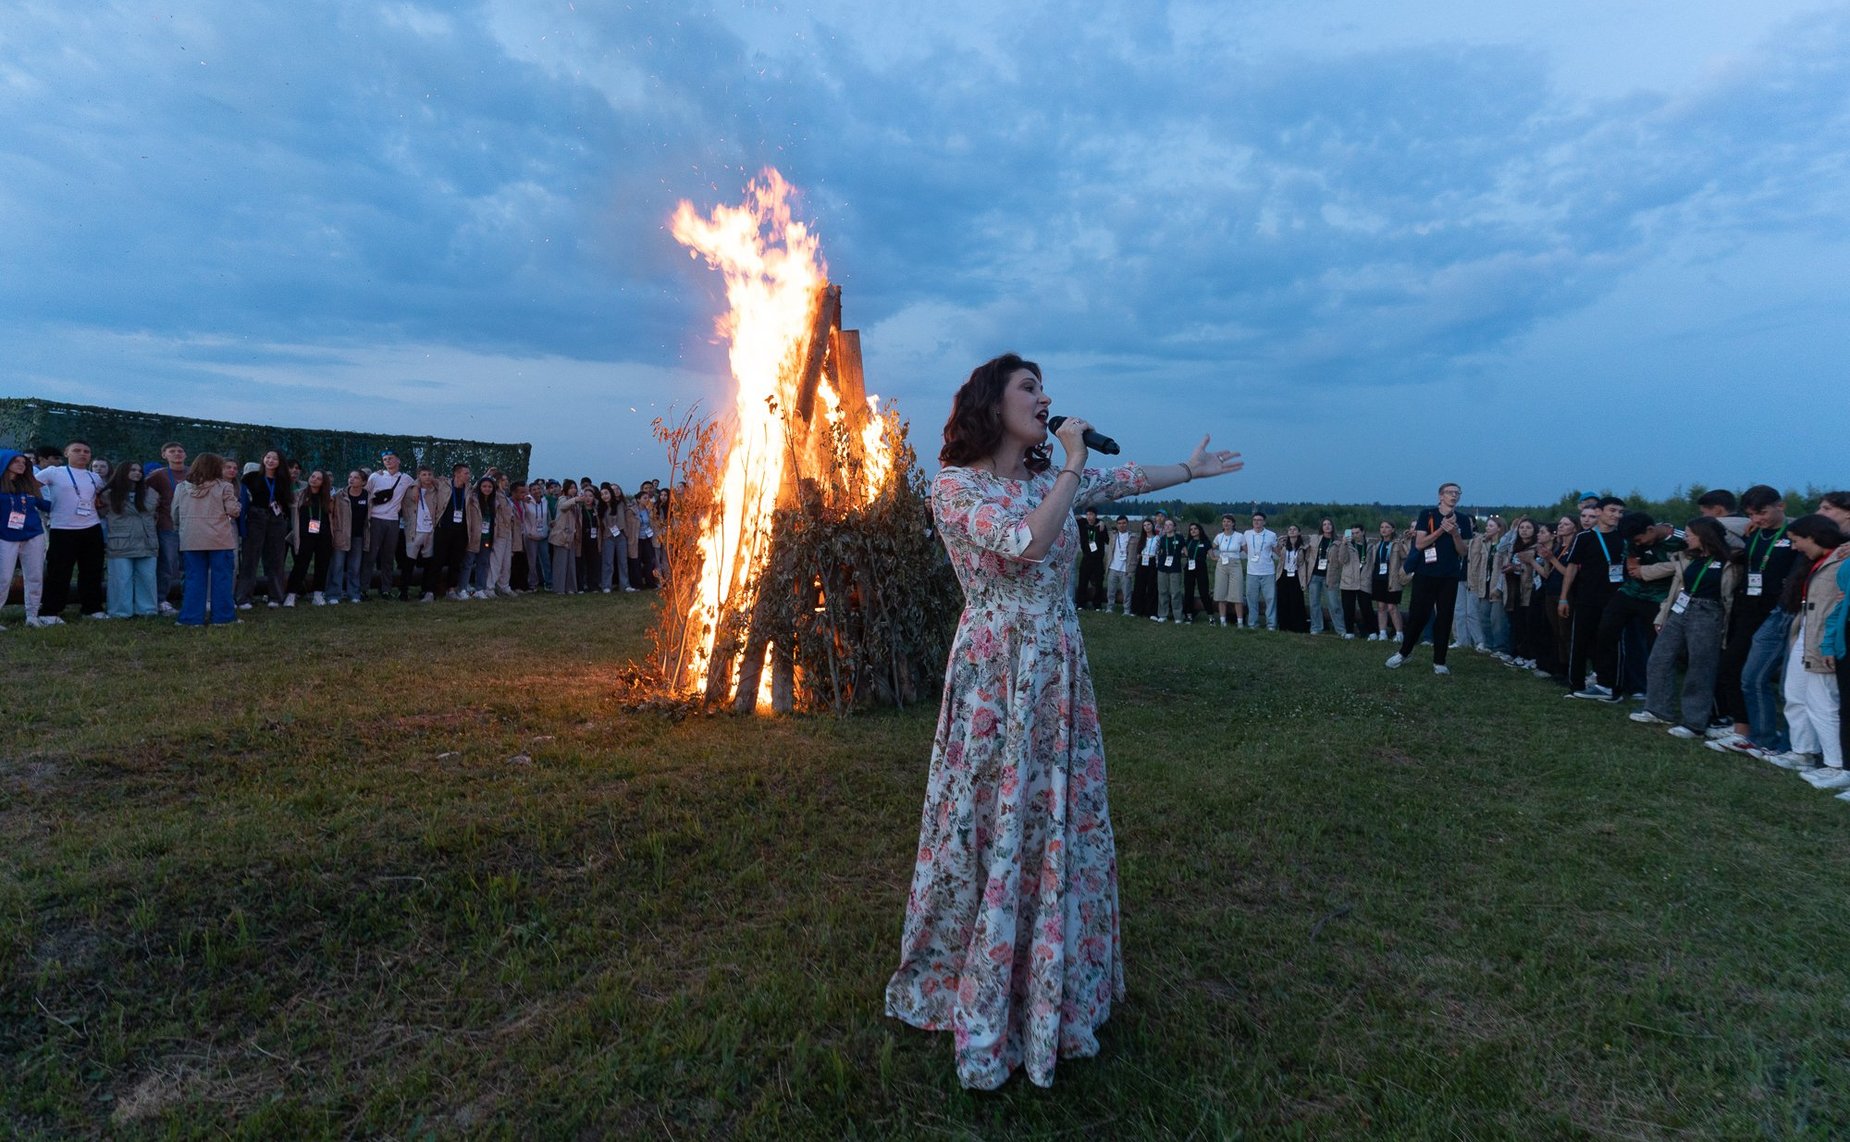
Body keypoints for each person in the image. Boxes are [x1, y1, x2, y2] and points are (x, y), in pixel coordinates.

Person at [885, 352, 1242, 1090]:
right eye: (1029, 388)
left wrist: (1187, 469)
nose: (1045, 398)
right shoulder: (955, 487)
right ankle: (973, 981)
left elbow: (1123, 480)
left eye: (1045, 388)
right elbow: (1027, 542)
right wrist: (1074, 464)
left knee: (1054, 815)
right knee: (990, 815)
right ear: (993, 403)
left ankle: (1052, 982)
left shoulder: (1049, 477)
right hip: (997, 671)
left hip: (1056, 666)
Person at [1711, 486, 1799, 757]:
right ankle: (1744, 727)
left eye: (1761, 513)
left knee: (1749, 670)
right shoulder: (1753, 532)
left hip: (1776, 611)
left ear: (1781, 506)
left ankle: (1755, 732)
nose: (1757, 519)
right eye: (1751, 514)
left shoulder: (1794, 533)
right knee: (1734, 666)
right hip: (1745, 605)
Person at [1635, 518, 1739, 741]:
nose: (1687, 537)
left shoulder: (1731, 560)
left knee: (1700, 667)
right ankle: (1658, 710)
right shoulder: (1687, 557)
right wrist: (1663, 614)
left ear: (1705, 535)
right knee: (1659, 658)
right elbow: (1676, 588)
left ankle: (1694, 722)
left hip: (1709, 612)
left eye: (1691, 534)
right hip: (1680, 609)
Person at [1778, 516, 1847, 782]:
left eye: (1796, 541)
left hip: (1824, 637)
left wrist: (1829, 642)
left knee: (1823, 701)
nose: (1794, 547)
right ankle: (1803, 752)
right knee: (1795, 694)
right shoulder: (1817, 561)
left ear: (1813, 536)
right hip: (1807, 632)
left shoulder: (1841, 559)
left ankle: (1836, 763)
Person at [1388, 483, 1475, 675]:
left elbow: (1463, 551)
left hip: (1449, 575)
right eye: (1450, 492)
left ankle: (1439, 661)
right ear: (1440, 496)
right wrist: (1441, 530)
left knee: (1444, 617)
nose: (1454, 495)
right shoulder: (1427, 515)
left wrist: (1455, 533)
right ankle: (1404, 652)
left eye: (1457, 493)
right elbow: (1419, 544)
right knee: (1418, 615)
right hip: (1425, 573)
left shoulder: (1462, 519)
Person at [1557, 497, 1626, 697]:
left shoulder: (1623, 538)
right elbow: (1571, 568)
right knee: (1579, 641)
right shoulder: (1584, 537)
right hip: (1586, 598)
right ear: (1600, 511)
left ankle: (1611, 687)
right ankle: (1576, 685)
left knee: (1610, 641)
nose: (1616, 515)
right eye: (1612, 510)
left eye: (1620, 512)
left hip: (1614, 599)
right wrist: (1563, 597)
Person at [39, 440, 110, 621]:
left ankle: (91, 608)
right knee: (59, 572)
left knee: (92, 570)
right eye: (77, 450)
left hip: (91, 527)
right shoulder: (54, 472)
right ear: (66, 453)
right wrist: (41, 504)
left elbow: (103, 497)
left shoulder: (94, 477)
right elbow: (28, 485)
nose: (82, 454)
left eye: (86, 451)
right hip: (62, 529)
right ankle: (50, 612)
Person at [174, 453, 242, 626]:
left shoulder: (181, 487)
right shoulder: (224, 487)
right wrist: (238, 505)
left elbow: (175, 513)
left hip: (191, 538)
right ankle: (223, 617)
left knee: (193, 579)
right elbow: (233, 511)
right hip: (219, 539)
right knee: (222, 579)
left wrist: (182, 528)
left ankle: (191, 618)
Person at [100, 461, 161, 619]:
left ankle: (147, 610)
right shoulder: (109, 494)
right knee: (120, 579)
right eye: (132, 470)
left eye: (139, 470)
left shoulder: (150, 493)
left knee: (147, 578)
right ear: (122, 471)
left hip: (147, 540)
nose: (137, 473)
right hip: (120, 541)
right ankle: (120, 612)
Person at [0, 449, 54, 628]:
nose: (21, 465)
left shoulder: (28, 486)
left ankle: (32, 616)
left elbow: (47, 505)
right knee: (3, 578)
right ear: (4, 463)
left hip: (33, 535)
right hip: (5, 537)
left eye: (24, 462)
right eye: (16, 461)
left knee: (35, 576)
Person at [235, 450, 293, 609]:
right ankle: (243, 598)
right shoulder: (250, 477)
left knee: (276, 559)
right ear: (263, 459)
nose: (271, 460)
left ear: (280, 462)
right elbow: (243, 498)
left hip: (277, 520)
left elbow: (287, 501)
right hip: (255, 518)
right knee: (250, 558)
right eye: (268, 457)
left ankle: (275, 597)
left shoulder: (284, 480)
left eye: (275, 458)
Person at [143, 441, 188, 614]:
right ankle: (160, 600)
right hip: (167, 526)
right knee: (166, 565)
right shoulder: (158, 475)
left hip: (191, 527)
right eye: (172, 451)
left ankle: (189, 597)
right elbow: (142, 493)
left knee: (190, 565)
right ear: (164, 455)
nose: (177, 454)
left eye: (180, 451)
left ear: (185, 455)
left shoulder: (193, 473)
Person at [364, 452, 412, 600]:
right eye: (385, 459)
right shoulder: (375, 476)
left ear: (398, 460)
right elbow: (365, 493)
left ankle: (386, 589)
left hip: (393, 521)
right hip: (375, 519)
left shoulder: (406, 478)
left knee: (388, 557)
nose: (388, 461)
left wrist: (416, 488)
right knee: (370, 556)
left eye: (390, 458)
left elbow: (418, 484)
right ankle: (363, 589)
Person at [286, 470, 336, 605]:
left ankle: (318, 594)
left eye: (318, 478)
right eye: (313, 476)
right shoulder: (299, 495)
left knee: (322, 565)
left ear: (323, 482)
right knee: (300, 565)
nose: (314, 479)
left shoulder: (328, 498)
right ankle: (291, 594)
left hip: (324, 536)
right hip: (305, 536)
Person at [329, 470, 369, 604]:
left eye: (356, 478)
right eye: (350, 477)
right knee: (337, 565)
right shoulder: (339, 495)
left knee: (355, 567)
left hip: (358, 536)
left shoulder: (368, 496)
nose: (351, 479)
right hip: (341, 535)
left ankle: (354, 594)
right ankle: (333, 595)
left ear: (363, 482)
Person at [1369, 520, 1408, 644]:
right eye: (1382, 527)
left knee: (1392, 607)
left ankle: (1399, 633)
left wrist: (1402, 573)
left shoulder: (1397, 544)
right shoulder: (1377, 545)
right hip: (1378, 579)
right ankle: (1382, 632)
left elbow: (1406, 557)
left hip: (1393, 580)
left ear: (1393, 529)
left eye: (1387, 527)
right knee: (1381, 607)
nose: (1384, 529)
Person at [1307, 518, 1346, 636]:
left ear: (1333, 526)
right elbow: (1307, 552)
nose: (1327, 526)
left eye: (1329, 524)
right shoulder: (1315, 539)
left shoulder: (1338, 542)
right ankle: (1316, 627)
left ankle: (1341, 629)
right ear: (1321, 527)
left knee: (1334, 604)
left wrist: (1344, 544)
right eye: (1324, 524)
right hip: (1314, 576)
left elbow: (1342, 560)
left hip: (1330, 577)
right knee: (1314, 604)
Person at [1242, 512, 1279, 630]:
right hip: (1252, 572)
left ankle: (1271, 624)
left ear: (1264, 522)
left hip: (1268, 572)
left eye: (1259, 520)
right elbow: (1244, 548)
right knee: (1251, 599)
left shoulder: (1271, 535)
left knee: (1270, 599)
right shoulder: (1247, 534)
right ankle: (1253, 623)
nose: (1257, 522)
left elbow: (1277, 551)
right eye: (1254, 520)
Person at [1337, 523, 1373, 639]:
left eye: (1357, 533)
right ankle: (1349, 632)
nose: (1355, 535)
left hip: (1364, 580)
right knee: (1348, 607)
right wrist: (1343, 544)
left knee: (1366, 607)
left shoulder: (1370, 546)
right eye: (1352, 533)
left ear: (1363, 532)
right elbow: (1342, 560)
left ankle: (1372, 632)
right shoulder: (1347, 545)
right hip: (1349, 580)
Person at [1210, 514, 1245, 627]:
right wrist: (1213, 557)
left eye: (1229, 521)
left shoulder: (1240, 536)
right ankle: (1223, 621)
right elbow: (1210, 547)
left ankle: (1240, 622)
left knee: (1237, 594)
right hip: (1222, 564)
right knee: (1221, 593)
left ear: (1233, 523)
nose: (1226, 523)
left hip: (1235, 564)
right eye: (1224, 521)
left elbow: (1246, 549)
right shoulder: (1219, 536)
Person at [549, 480, 583, 595]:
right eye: (571, 488)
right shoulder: (562, 499)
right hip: (561, 536)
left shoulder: (575, 503)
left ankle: (570, 587)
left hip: (571, 536)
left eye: (575, 487)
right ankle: (559, 588)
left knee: (570, 563)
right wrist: (575, 500)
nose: (574, 490)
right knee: (560, 563)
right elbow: (564, 507)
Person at [1275, 524, 1311, 632]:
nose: (1292, 531)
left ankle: (1297, 626)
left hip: (1297, 575)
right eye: (1290, 529)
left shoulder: (1303, 546)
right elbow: (1279, 540)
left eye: (1294, 529)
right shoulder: (1283, 544)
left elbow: (1308, 539)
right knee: (1283, 600)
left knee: (1296, 601)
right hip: (1284, 575)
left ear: (1299, 532)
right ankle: (1284, 625)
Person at [1073, 507, 1108, 611]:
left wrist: (1102, 523)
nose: (1089, 517)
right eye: (1087, 514)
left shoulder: (1100, 526)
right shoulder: (1083, 524)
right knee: (1083, 582)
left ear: (1095, 516)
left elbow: (1107, 540)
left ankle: (1097, 605)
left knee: (1098, 583)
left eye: (1091, 514)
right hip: (1086, 558)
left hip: (1098, 559)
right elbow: (1072, 517)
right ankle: (1081, 604)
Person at [1153, 517, 1186, 623]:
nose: (1167, 526)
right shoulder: (1162, 539)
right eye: (1165, 525)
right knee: (1162, 591)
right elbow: (1157, 552)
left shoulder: (1180, 538)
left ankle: (1178, 616)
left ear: (1174, 527)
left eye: (1170, 525)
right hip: (1162, 568)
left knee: (1175, 592)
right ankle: (1163, 614)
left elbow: (1185, 552)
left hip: (1175, 568)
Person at [1103, 515, 1134, 615]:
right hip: (1113, 567)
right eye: (1119, 523)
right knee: (1111, 591)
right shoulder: (1113, 536)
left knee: (1127, 592)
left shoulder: (1132, 537)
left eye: (1124, 523)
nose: (1122, 525)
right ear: (1117, 525)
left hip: (1125, 569)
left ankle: (1127, 610)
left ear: (1127, 524)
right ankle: (1109, 608)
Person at [1183, 521, 1213, 621]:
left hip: (1201, 568)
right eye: (1191, 529)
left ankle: (1211, 616)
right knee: (1188, 592)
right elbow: (1184, 554)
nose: (1193, 531)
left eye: (1195, 529)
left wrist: (1223, 558)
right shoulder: (1188, 542)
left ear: (1200, 530)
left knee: (1204, 592)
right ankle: (1189, 615)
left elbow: (1212, 556)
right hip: (1189, 568)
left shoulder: (1205, 542)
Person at [1130, 517, 1159, 617]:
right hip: (1142, 562)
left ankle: (1151, 612)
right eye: (1145, 525)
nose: (1147, 527)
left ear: (1152, 526)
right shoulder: (1142, 539)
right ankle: (1137, 610)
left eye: (1149, 525)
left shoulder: (1158, 538)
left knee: (1152, 587)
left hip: (1152, 562)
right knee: (1139, 586)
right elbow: (1138, 552)